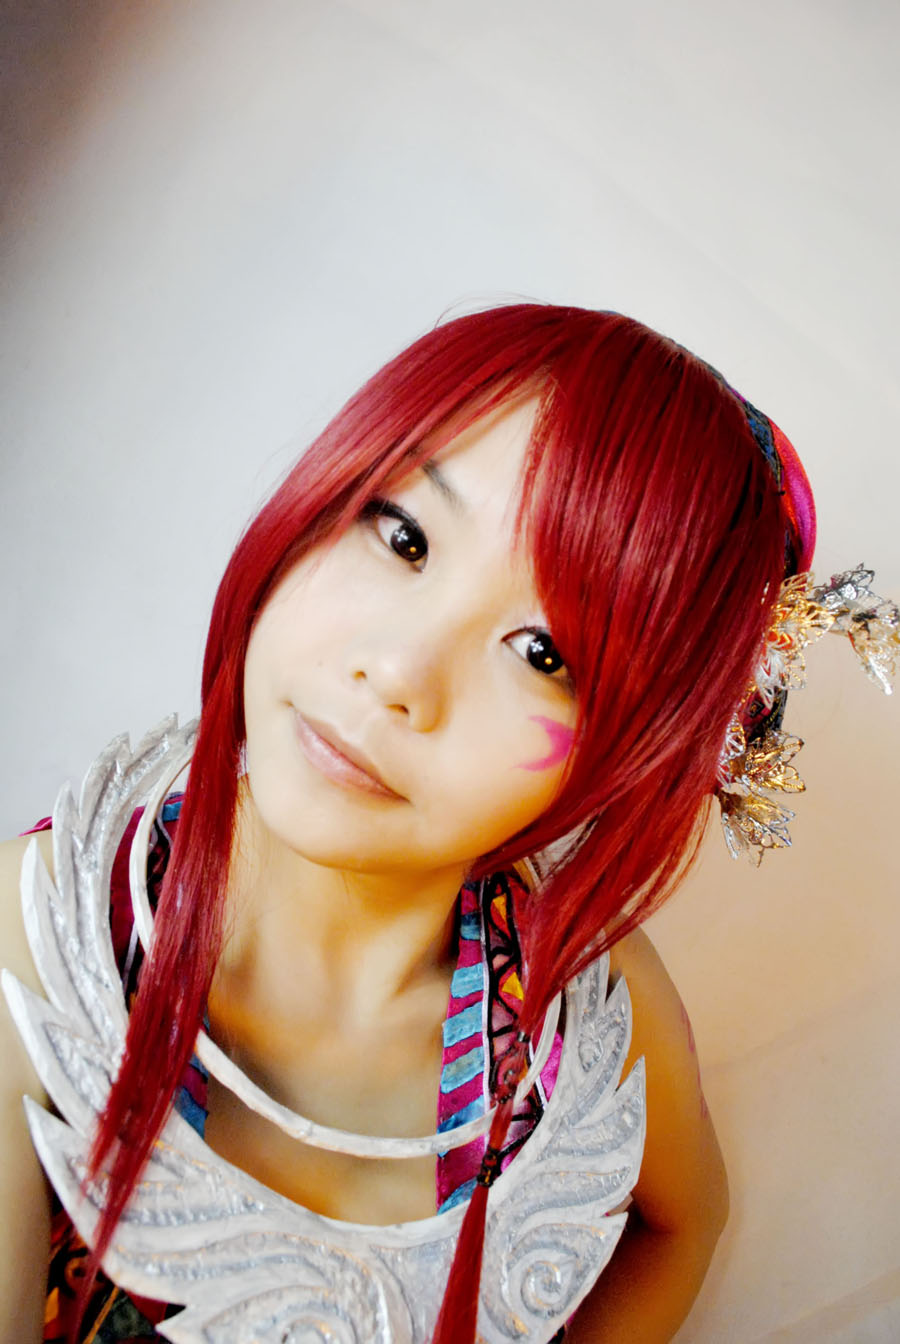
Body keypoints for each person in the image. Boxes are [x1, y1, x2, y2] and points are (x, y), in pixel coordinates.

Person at [3, 303, 889, 1344]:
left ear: (628, 751)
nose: (398, 673)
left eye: (544, 653)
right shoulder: (39, 950)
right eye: (404, 536)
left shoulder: (584, 1016)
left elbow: (683, 1224)